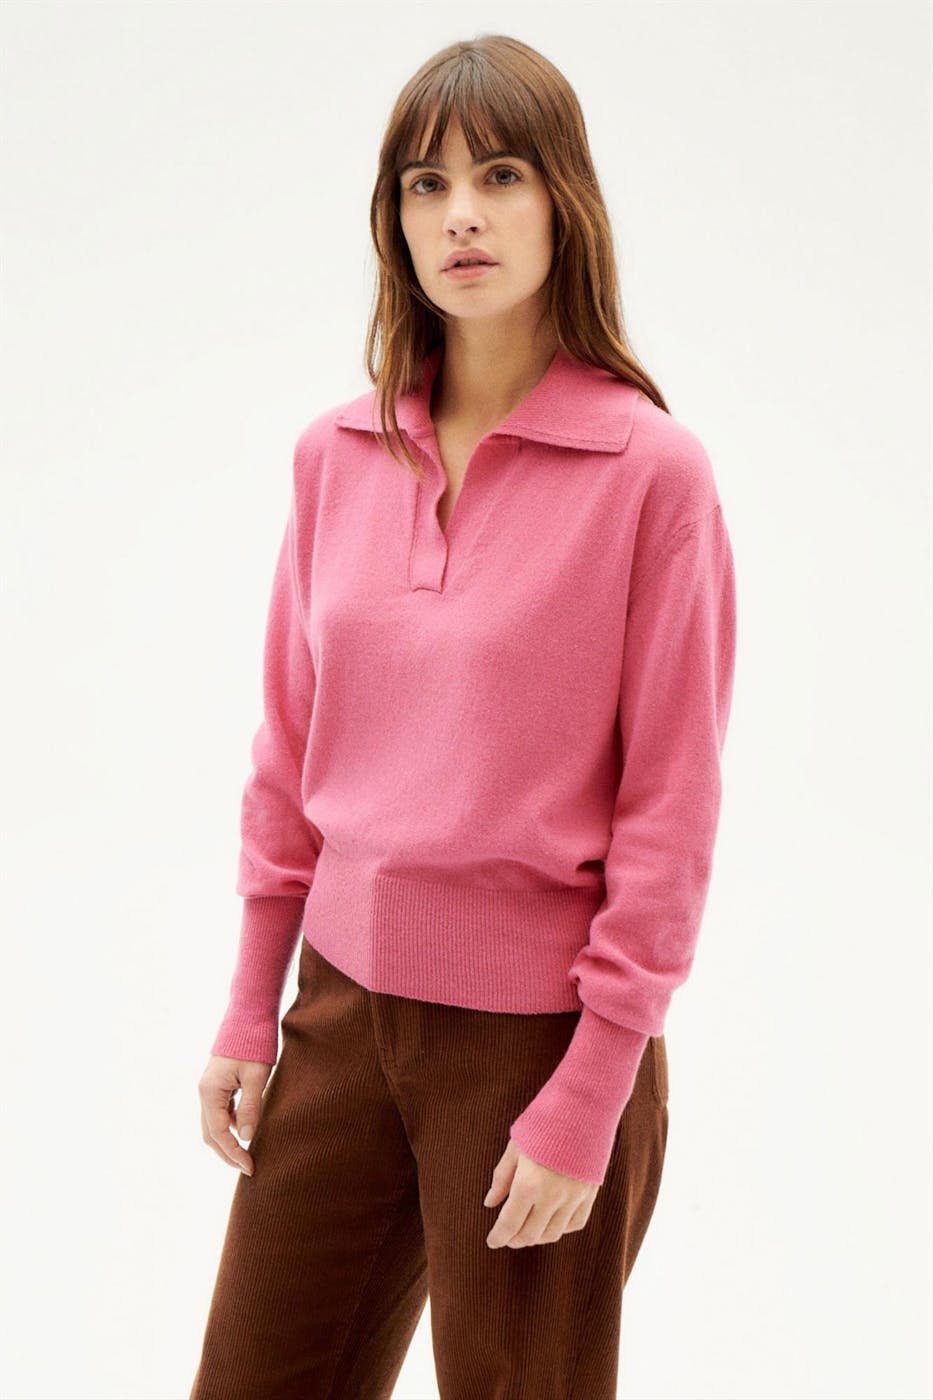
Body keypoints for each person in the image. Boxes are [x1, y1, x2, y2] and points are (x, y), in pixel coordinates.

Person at [189, 32, 737, 1400]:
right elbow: (286, 756)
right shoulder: (335, 456)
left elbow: (670, 811)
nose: (461, 217)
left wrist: (592, 1089)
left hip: (533, 1045)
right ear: (393, 221)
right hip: (336, 1018)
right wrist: (251, 1007)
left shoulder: (651, 476)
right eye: (424, 186)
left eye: (498, 176)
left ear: (564, 201)